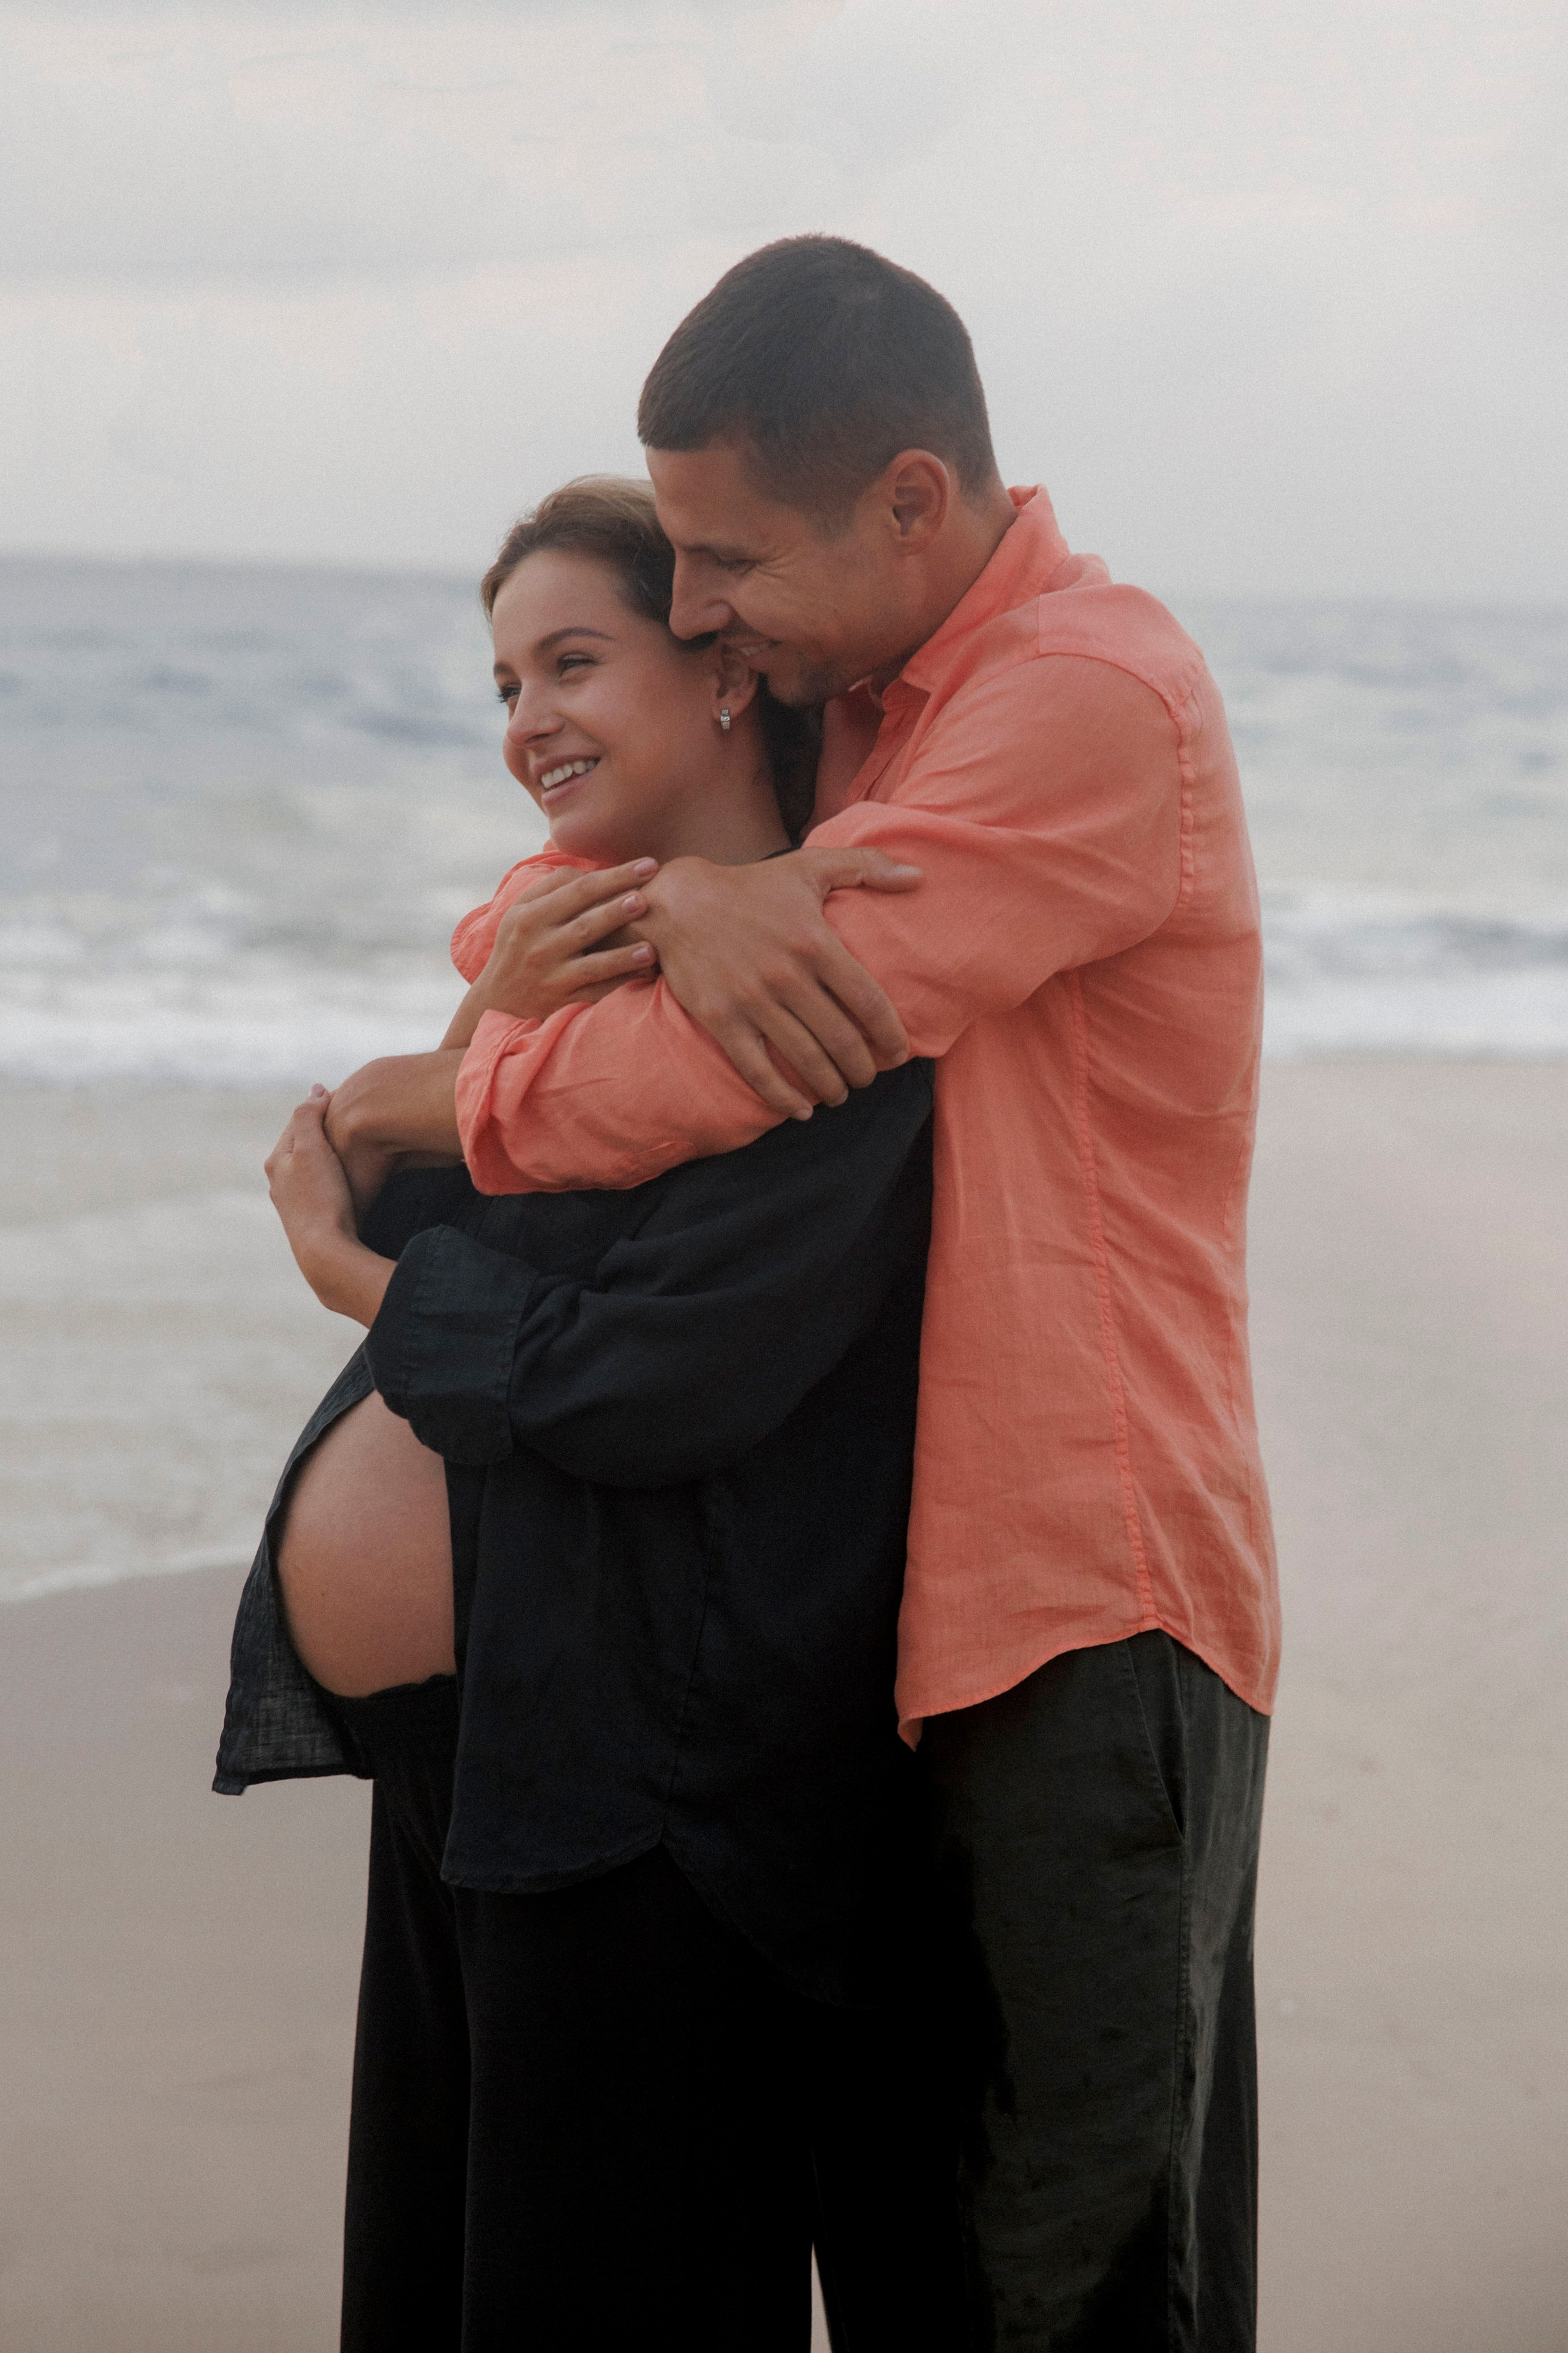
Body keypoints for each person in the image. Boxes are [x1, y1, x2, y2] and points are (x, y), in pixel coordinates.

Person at [321, 236, 1281, 2350]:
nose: (691, 609)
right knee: (930, 2266)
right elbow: (575, 851)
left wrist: (463, 1086)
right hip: (895, 1614)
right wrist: (661, 897)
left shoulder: (1079, 700)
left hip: (1082, 1605)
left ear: (911, 504)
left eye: (722, 557)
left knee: (1076, 2274)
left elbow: (742, 1051)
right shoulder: (866, 695)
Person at [218, 477, 963, 2351]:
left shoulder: (816, 987)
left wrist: (353, 1273)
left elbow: (648, 1375)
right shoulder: (569, 957)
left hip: (659, 1793)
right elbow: (477, 1227)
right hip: (478, 1763)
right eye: (499, 681)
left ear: (721, 672)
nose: (523, 719)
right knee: (439, 2288)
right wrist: (464, 1062)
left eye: (571, 659)